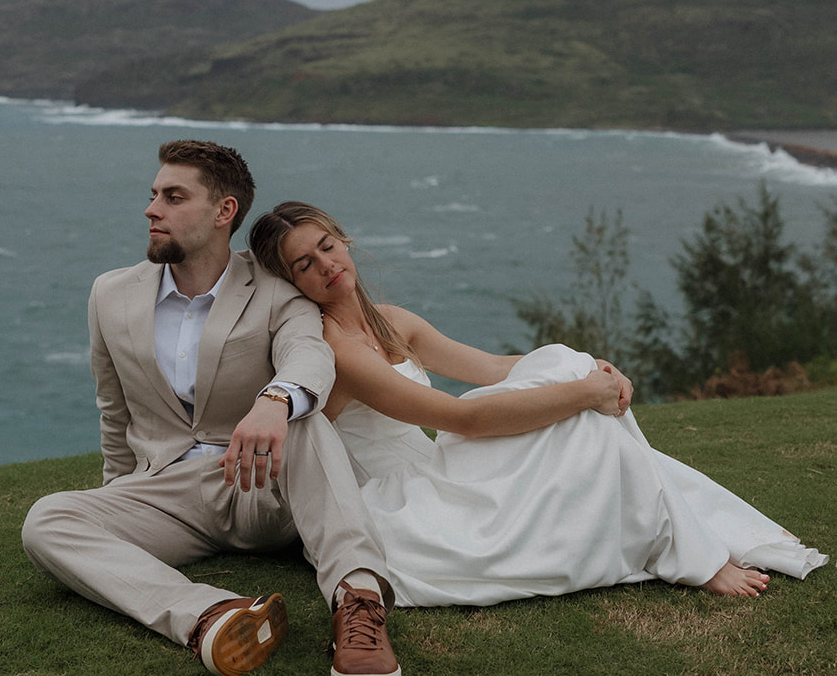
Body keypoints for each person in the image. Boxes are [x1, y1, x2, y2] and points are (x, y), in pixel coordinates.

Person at [247, 201, 828, 607]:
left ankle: (676, 539)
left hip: (435, 471)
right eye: (304, 264)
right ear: (291, 283)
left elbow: (504, 368)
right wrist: (582, 393)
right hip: (397, 509)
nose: (326, 265)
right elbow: (464, 419)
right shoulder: (336, 350)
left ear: (343, 238)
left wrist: (595, 369)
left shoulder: (393, 323)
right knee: (581, 407)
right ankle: (689, 554)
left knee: (562, 361)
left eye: (327, 246)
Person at [22, 142, 401, 676]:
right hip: (168, 494)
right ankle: (212, 617)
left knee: (308, 422)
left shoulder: (277, 292)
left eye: (174, 197)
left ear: (224, 211)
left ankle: (358, 605)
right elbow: (114, 409)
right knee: (47, 520)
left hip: (263, 488)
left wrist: (274, 402)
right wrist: (119, 501)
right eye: (153, 195)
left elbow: (309, 355)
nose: (153, 209)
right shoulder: (110, 294)